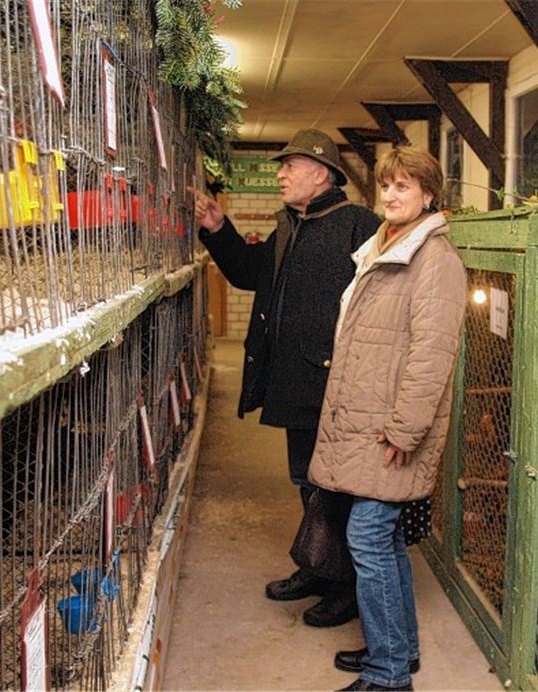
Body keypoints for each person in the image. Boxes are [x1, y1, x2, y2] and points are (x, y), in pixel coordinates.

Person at [190, 128, 380, 627]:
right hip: (296, 381)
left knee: (335, 487)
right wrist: (217, 227)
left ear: (320, 174)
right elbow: (253, 273)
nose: (280, 174)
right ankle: (318, 566)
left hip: (336, 385)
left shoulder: (358, 225)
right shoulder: (293, 226)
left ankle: (346, 587)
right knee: (307, 480)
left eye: (288, 166)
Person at [308, 147, 467, 690]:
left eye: (405, 186)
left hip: (393, 428)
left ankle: (389, 674)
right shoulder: (383, 245)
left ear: (428, 195)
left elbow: (432, 354)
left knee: (369, 538)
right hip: (368, 421)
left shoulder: (435, 260)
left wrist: (404, 429)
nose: (392, 195)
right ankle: (398, 649)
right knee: (387, 539)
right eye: (387, 186)